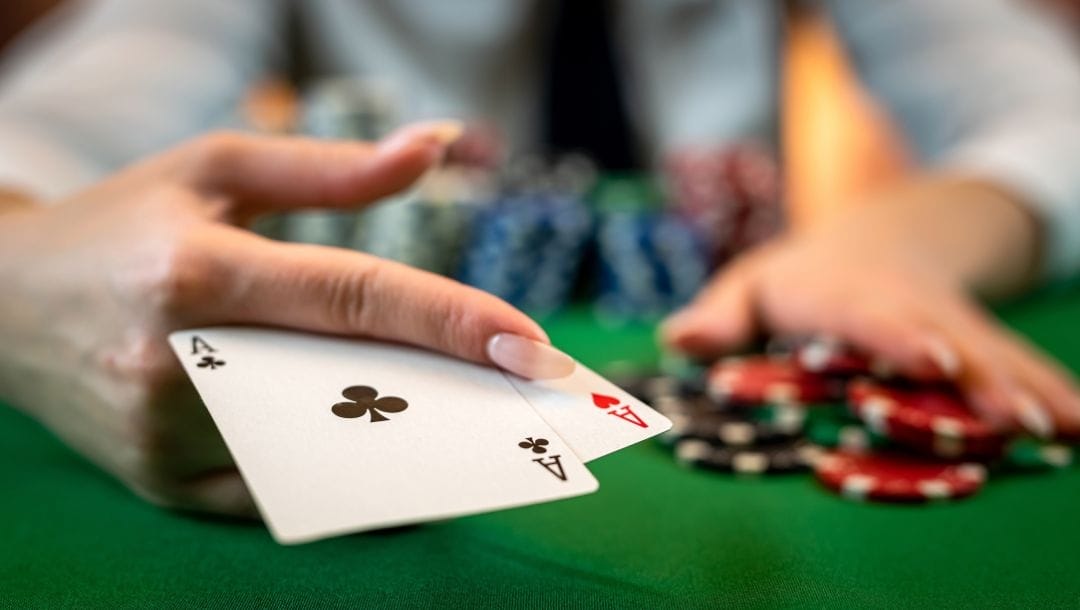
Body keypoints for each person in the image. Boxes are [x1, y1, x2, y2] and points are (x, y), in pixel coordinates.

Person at [2, 0, 1079, 517]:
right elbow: (55, 117)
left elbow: (1045, 100)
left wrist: (913, 230)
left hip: (731, 317)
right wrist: (22, 271)